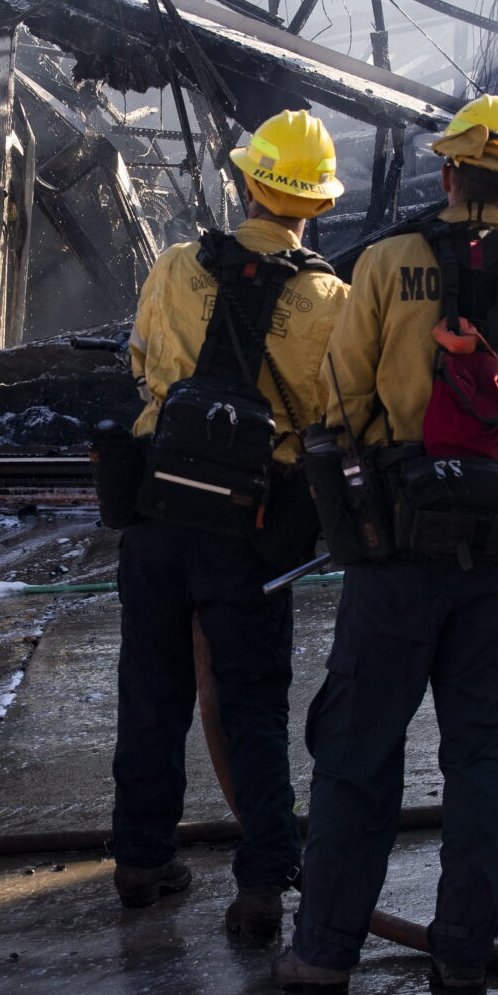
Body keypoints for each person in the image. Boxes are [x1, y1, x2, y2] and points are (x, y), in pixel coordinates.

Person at [275, 95, 498, 995]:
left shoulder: (382, 264)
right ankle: (463, 956)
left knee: (357, 749)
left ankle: (324, 952)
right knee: (484, 757)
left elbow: (338, 403)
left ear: (449, 173)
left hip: (394, 552)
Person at [111, 109, 350, 947]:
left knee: (151, 690)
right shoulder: (331, 300)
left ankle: (141, 860)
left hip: (157, 509)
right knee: (250, 703)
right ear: (315, 202)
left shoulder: (178, 264)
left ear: (248, 181)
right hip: (249, 525)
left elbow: (140, 364)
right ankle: (263, 883)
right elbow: (335, 418)